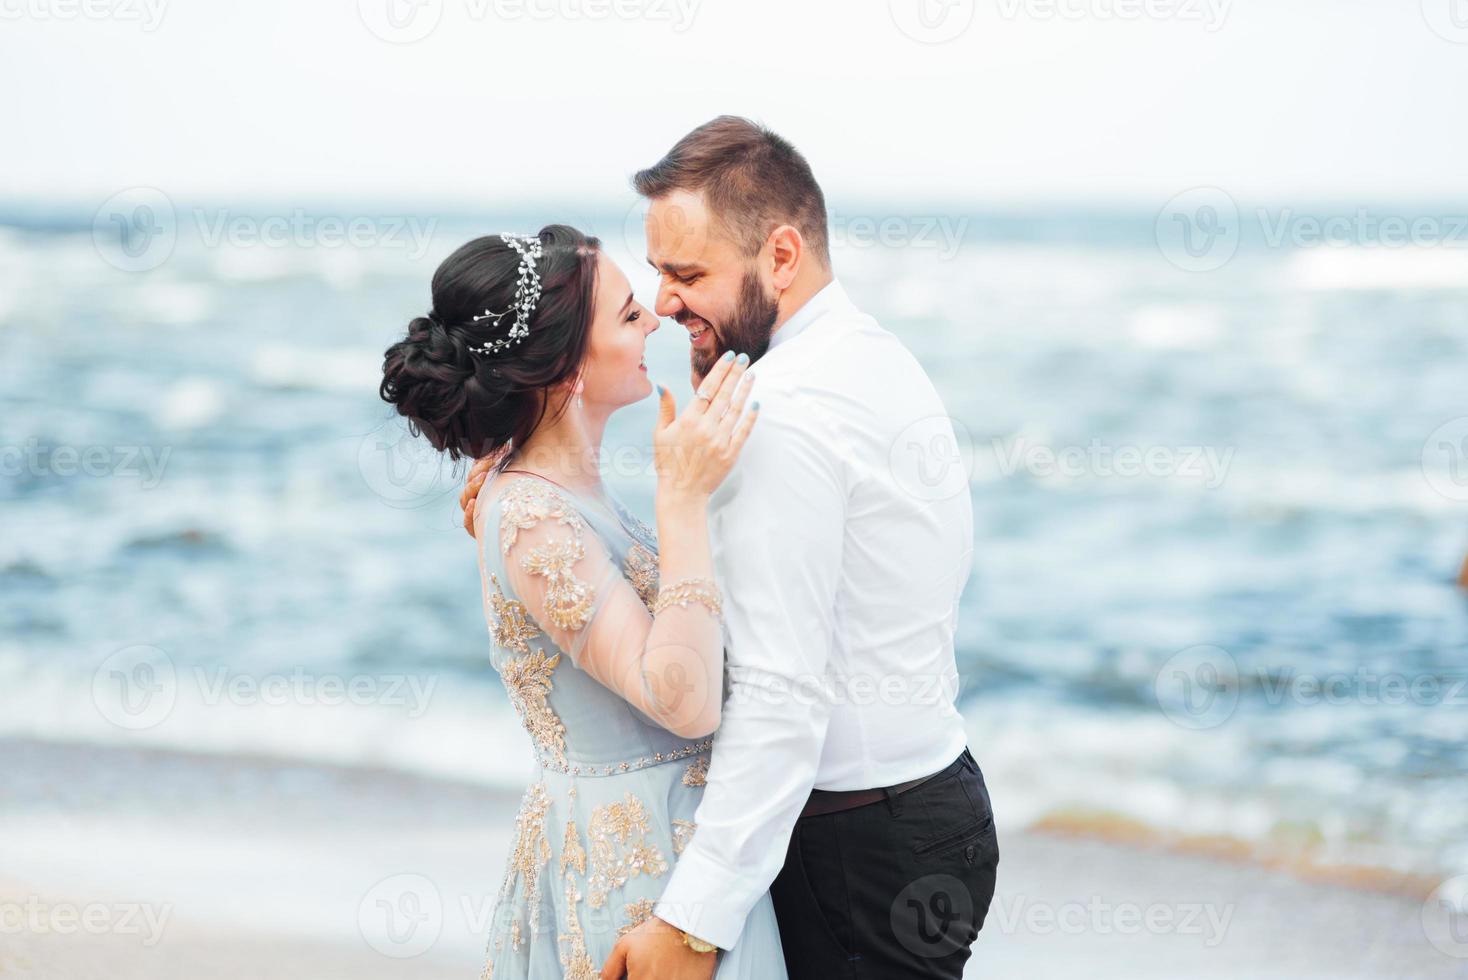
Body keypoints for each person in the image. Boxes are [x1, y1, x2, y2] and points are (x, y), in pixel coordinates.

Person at [463, 116, 999, 980]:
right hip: (931, 799)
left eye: (686, 274)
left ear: (780, 256)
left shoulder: (775, 413)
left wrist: (693, 921)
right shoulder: (869, 356)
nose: (665, 302)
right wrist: (527, 460)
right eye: (656, 277)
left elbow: (783, 691)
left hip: (853, 843)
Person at [381, 225, 784, 978]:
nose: (655, 321)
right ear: (567, 364)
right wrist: (684, 500)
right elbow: (685, 701)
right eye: (630, 315)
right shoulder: (530, 516)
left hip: (674, 853)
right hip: (634, 872)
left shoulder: (554, 491)